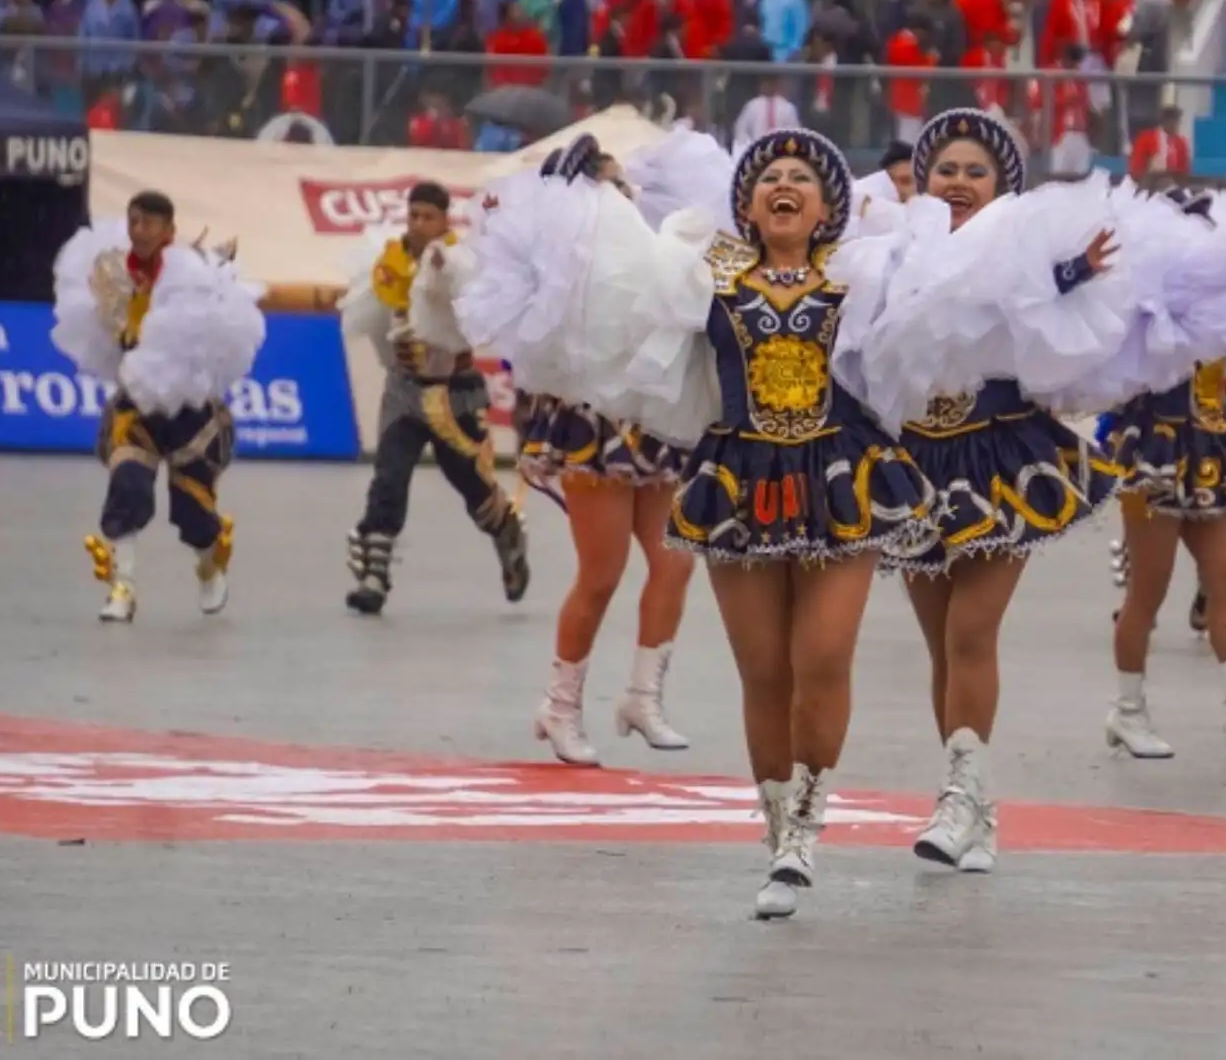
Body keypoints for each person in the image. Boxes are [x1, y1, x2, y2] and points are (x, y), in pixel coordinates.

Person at [453, 126, 936, 920]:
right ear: (744, 204)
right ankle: (777, 826)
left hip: (843, 478)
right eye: (769, 175)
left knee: (821, 657)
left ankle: (805, 833)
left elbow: (954, 297)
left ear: (827, 207)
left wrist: (1060, 275)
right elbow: (605, 283)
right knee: (763, 673)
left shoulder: (862, 271)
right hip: (740, 481)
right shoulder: (706, 272)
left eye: (802, 177)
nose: (785, 184)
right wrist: (575, 200)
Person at [836, 108, 1125, 873]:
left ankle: (958, 802)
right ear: (923, 179)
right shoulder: (891, 249)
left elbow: (1040, 304)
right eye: (946, 170)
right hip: (917, 459)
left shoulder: (1020, 247)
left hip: (1000, 454)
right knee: (942, 646)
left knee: (971, 631)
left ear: (1002, 185)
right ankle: (975, 804)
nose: (959, 183)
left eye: (976, 171)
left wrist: (1074, 275)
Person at [494, 135, 701, 765]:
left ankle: (643, 696)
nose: (623, 194)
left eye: (622, 184)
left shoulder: (645, 243)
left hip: (650, 420)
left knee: (674, 561)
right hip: (592, 427)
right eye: (609, 184)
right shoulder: (565, 258)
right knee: (602, 573)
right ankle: (560, 707)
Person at [1099, 188, 1226, 759]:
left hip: (1210, 451)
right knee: (1149, 589)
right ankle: (1127, 710)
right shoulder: (1142, 307)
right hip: (1152, 456)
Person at [50, 191, 265, 623]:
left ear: (169, 229)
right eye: (134, 221)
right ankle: (122, 589)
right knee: (127, 486)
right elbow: (111, 339)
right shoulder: (112, 271)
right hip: (138, 408)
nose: (140, 231)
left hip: (191, 412)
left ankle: (209, 564)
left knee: (193, 512)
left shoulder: (192, 274)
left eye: (150, 223)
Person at [338, 181, 531, 616]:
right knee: (389, 477)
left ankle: (507, 534)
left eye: (429, 216)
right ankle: (374, 577)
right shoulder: (386, 262)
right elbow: (371, 320)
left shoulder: (461, 262)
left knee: (475, 490)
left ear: (445, 220)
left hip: (454, 394)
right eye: (414, 216)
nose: (420, 224)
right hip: (404, 392)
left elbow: (474, 313)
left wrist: (445, 277)